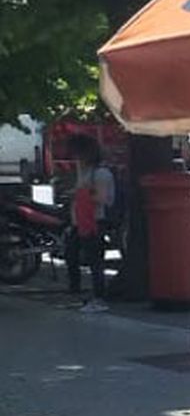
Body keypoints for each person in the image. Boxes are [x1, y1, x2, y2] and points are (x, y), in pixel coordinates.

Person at [66, 134, 115, 313]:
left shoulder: (100, 173)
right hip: (79, 220)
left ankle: (99, 297)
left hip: (95, 221)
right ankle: (76, 290)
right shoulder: (85, 171)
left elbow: (102, 198)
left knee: (95, 260)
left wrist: (81, 196)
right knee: (71, 254)